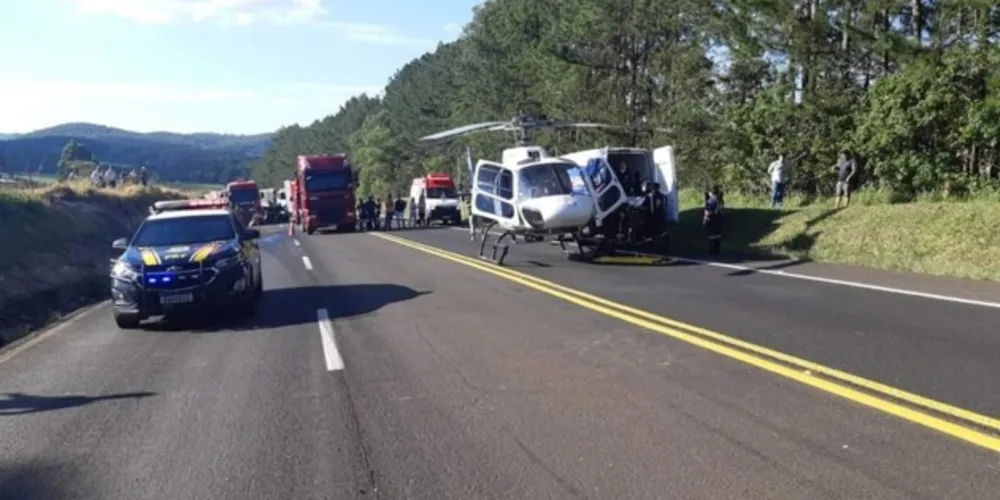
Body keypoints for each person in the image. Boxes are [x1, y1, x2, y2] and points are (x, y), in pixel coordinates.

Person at [703, 185, 724, 254]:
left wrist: (705, 218)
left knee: (711, 234)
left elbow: (709, 210)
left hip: (712, 219)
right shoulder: (719, 200)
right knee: (717, 234)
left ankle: (711, 249)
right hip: (719, 219)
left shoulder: (711, 200)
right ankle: (717, 248)